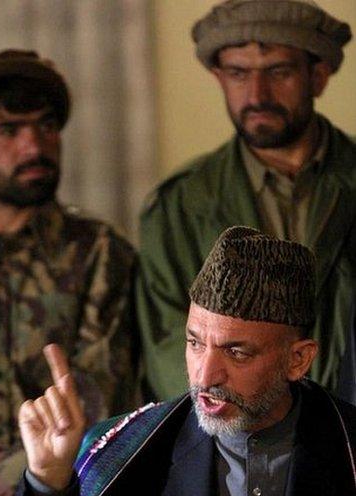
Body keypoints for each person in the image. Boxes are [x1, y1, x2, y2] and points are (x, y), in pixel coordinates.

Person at [10, 227, 356, 496]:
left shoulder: (347, 443)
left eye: (236, 352)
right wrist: (48, 483)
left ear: (298, 360)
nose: (205, 376)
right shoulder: (128, 450)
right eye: (195, 343)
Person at [0, 50, 137, 496]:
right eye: (8, 131)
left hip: (62, 491)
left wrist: (13, 473)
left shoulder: (99, 250)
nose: (35, 146)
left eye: (46, 126)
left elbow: (106, 389)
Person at [136, 0, 356, 403]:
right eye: (238, 74)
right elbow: (170, 349)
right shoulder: (180, 205)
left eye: (279, 72)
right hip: (235, 442)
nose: (257, 94)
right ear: (219, 78)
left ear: (318, 77)